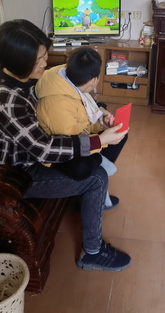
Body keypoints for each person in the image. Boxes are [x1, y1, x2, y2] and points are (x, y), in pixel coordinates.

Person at [0, 19, 131, 271]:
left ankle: (88, 199)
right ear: (19, 62)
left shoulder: (23, 78)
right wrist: (100, 139)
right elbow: (45, 149)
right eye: (39, 59)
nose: (45, 62)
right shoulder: (7, 99)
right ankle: (92, 253)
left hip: (31, 153)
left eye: (44, 55)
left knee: (96, 156)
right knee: (97, 177)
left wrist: (99, 113)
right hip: (15, 174)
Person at [35, 47, 120, 210]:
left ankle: (99, 170)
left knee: (118, 134)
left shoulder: (67, 78)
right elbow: (73, 143)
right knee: (82, 167)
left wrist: (101, 123)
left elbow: (84, 116)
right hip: (58, 152)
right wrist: (102, 139)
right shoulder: (58, 105)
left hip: (74, 139)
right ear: (94, 80)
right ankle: (99, 167)